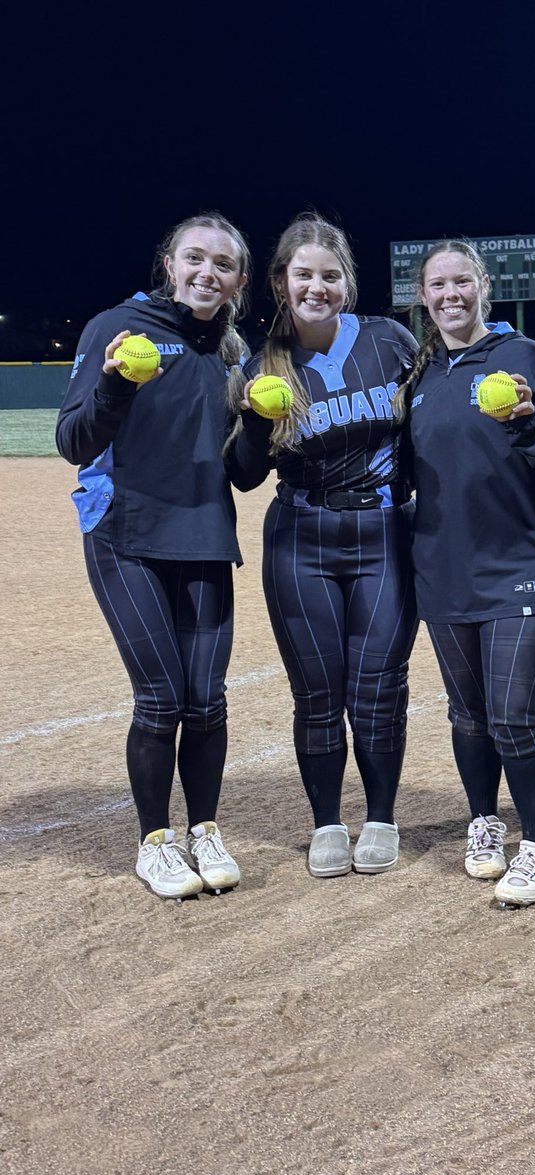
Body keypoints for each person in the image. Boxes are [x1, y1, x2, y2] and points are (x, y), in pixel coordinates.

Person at [56, 212, 268, 900]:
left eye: (223, 265)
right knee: (161, 698)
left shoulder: (231, 356)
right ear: (170, 265)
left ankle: (203, 829)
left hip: (205, 536)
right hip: (128, 535)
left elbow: (241, 472)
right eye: (194, 259)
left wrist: (261, 427)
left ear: (238, 280)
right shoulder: (119, 329)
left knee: (206, 701)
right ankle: (156, 842)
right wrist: (117, 383)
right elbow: (74, 440)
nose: (207, 274)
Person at [395, 240, 535, 907]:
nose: (451, 295)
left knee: (513, 716)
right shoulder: (417, 378)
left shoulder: (529, 360)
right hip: (443, 569)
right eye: (438, 285)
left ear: (484, 287)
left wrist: (528, 422)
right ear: (423, 296)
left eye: (462, 281)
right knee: (468, 715)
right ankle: (483, 821)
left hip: (524, 565)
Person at [235, 214, 419, 878]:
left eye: (330, 275)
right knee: (316, 693)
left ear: (348, 281)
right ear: (282, 282)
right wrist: (256, 419)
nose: (318, 286)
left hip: (384, 535)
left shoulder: (391, 340)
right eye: (303, 274)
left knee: (378, 687)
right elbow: (245, 474)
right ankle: (325, 825)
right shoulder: (264, 363)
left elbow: (430, 428)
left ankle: (380, 817)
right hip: (300, 538)